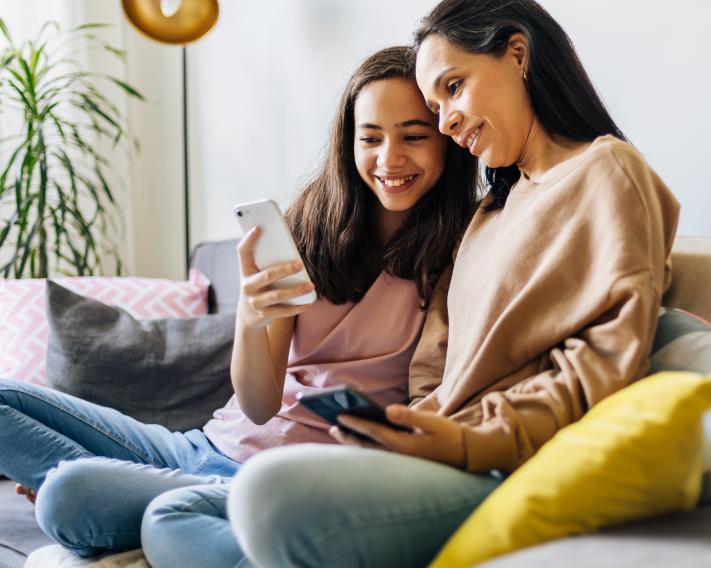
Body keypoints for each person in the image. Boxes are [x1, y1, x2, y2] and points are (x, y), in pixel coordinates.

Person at [223, 1, 682, 567]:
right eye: (436, 106)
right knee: (187, 511)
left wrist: (464, 442)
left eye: (454, 88)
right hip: (432, 450)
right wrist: (411, 426)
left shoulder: (605, 172)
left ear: (518, 54)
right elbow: (435, 364)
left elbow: (602, 367)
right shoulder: (494, 208)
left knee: (261, 495)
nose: (446, 122)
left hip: (494, 459)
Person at [0, 45, 478, 562]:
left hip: (283, 481)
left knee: (67, 494)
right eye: (371, 138)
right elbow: (257, 404)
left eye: (413, 136)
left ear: (447, 142)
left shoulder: (461, 250)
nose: (390, 159)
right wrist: (252, 317)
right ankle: (149, 503)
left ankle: (141, 505)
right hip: (202, 450)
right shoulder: (305, 227)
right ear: (349, 143)